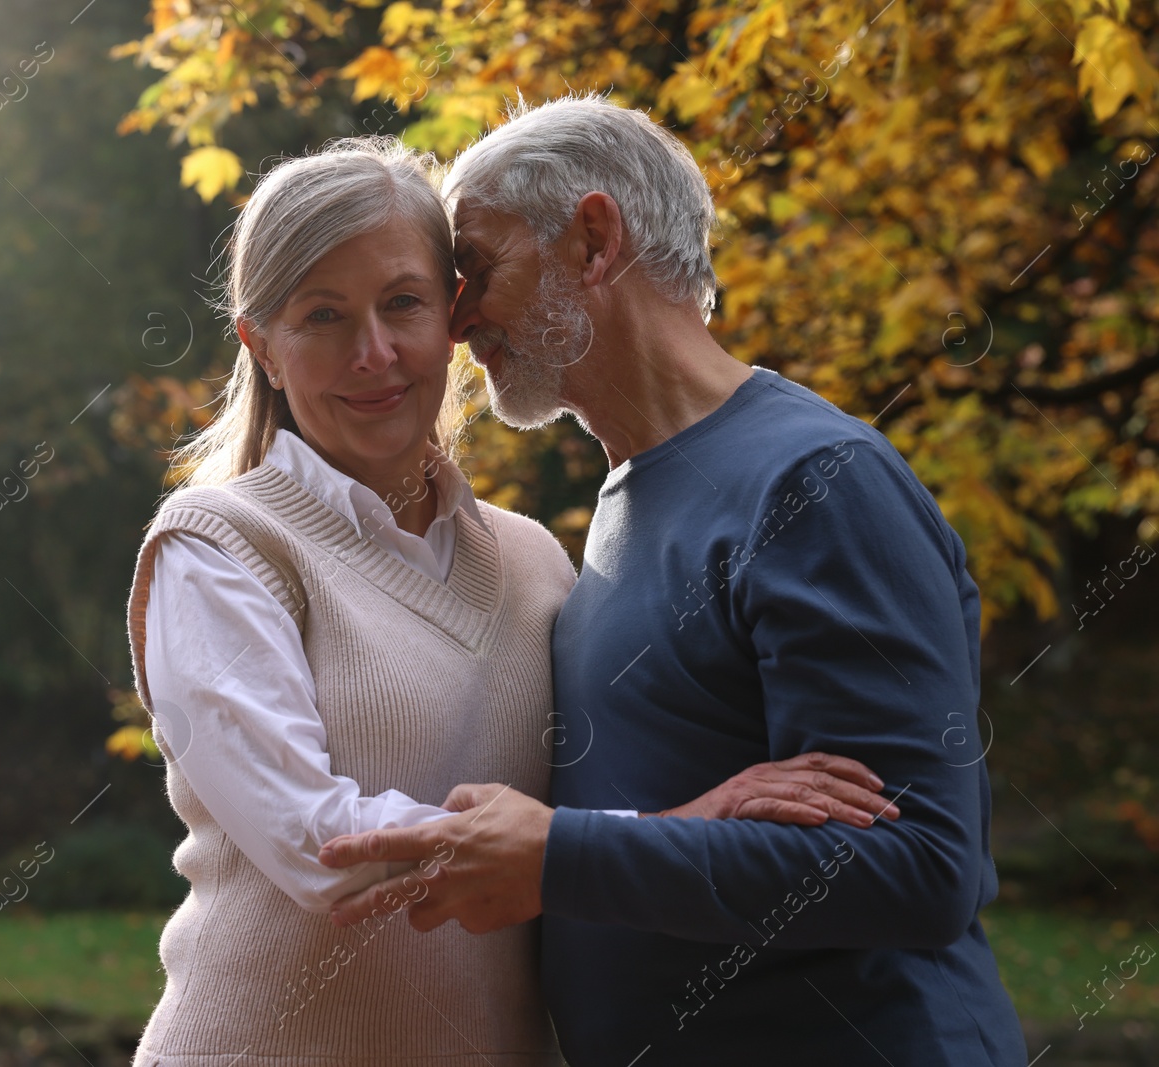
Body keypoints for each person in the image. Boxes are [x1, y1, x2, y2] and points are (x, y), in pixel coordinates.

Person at [125, 137, 895, 1066]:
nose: (374, 353)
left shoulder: (535, 558)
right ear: (263, 349)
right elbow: (314, 845)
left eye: (403, 303)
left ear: (453, 318)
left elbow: (591, 805)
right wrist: (674, 831)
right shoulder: (219, 546)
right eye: (322, 316)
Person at [319, 97, 1028, 1065]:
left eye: (476, 266)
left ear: (595, 240)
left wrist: (558, 856)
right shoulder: (620, 506)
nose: (455, 315)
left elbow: (920, 865)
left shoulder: (815, 479)